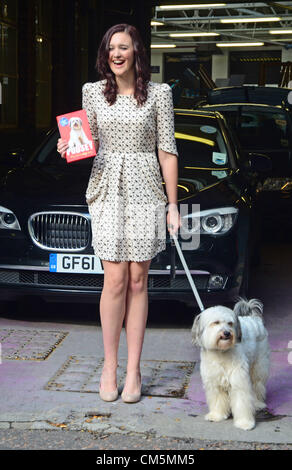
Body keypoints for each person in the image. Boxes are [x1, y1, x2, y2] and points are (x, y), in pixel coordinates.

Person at [57, 23, 180, 403]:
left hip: (145, 187)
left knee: (138, 279)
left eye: (123, 47)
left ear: (137, 52)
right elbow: (84, 143)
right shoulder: (92, 92)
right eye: (111, 48)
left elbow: (168, 150)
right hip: (107, 186)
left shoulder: (159, 94)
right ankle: (110, 367)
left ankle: (134, 370)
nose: (116, 54)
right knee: (114, 280)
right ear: (105, 54)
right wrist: (68, 147)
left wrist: (173, 205)